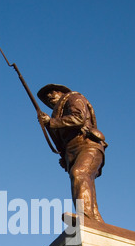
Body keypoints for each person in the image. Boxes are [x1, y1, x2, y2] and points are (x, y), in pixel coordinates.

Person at [37, 84, 107, 222]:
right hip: (72, 151)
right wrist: (47, 124)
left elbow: (79, 118)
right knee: (85, 182)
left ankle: (85, 217)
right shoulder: (58, 114)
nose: (49, 97)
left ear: (61, 92)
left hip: (88, 145)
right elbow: (60, 140)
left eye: (52, 93)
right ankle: (95, 219)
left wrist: (51, 122)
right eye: (46, 97)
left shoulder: (73, 98)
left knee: (79, 173)